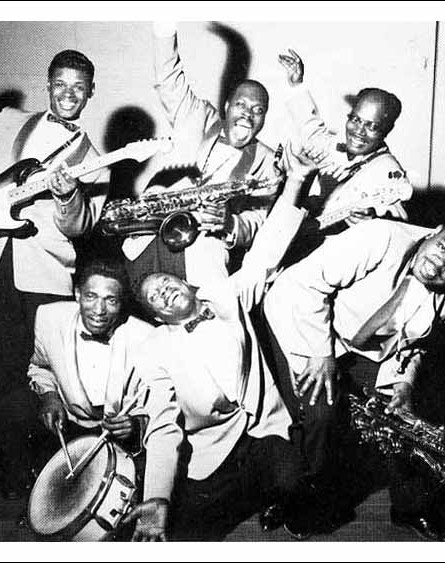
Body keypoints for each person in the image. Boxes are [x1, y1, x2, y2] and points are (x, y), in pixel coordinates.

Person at [125, 144, 319, 541]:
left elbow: (266, 252)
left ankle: (270, 493)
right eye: (154, 297)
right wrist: (157, 496)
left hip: (263, 428)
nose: (163, 291)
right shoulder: (153, 350)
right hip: (210, 451)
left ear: (187, 284)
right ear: (157, 317)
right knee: (182, 534)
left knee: (291, 476)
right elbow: (162, 424)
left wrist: (296, 182)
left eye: (167, 282)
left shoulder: (226, 297)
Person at [264, 217, 445, 541]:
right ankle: (304, 497)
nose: (439, 265)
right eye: (442, 248)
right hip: (300, 317)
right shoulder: (380, 236)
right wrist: (320, 352)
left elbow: (415, 343)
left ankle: (411, 507)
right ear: (435, 232)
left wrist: (403, 385)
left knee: (406, 418)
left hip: (361, 346)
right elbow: (304, 284)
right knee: (320, 414)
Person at [0, 40, 110, 497]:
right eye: (61, 84)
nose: (68, 94)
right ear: (48, 86)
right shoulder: (9, 120)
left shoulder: (95, 160)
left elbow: (81, 226)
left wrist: (69, 196)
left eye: (78, 87)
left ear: (90, 93)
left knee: (40, 376)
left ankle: (42, 469)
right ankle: (5, 466)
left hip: (44, 274)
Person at [27, 258, 182, 538]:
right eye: (91, 297)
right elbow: (40, 366)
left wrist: (137, 424)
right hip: (73, 426)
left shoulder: (147, 337)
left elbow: (163, 410)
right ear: (77, 294)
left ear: (122, 303)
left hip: (126, 438)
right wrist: (49, 396)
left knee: (133, 519)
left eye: (111, 300)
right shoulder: (49, 318)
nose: (99, 310)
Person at [122, 22, 280, 292]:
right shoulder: (196, 115)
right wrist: (165, 25)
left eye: (258, 110)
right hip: (148, 239)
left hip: (204, 253)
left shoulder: (267, 161)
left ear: (264, 119)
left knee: (213, 310)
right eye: (241, 104)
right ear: (227, 106)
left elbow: (258, 220)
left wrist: (230, 223)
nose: (247, 114)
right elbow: (168, 79)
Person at [277, 49, 412, 265]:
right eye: (355, 119)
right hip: (299, 238)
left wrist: (374, 219)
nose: (359, 131)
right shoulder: (335, 145)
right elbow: (311, 130)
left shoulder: (388, 171)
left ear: (387, 130)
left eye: (372, 126)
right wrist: (297, 85)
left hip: (334, 258)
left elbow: (398, 218)